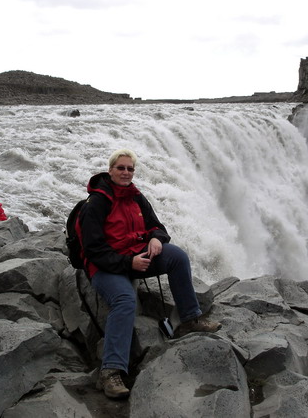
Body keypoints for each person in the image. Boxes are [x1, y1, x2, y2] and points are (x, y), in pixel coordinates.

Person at [77, 149, 221, 400]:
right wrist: (127, 263)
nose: (126, 172)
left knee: (177, 256)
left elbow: (158, 226)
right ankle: (111, 371)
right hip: (105, 267)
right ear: (110, 170)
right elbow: (93, 249)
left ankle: (189, 319)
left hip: (137, 257)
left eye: (130, 169)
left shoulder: (136, 196)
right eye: (121, 168)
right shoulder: (96, 203)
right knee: (124, 300)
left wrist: (155, 238)